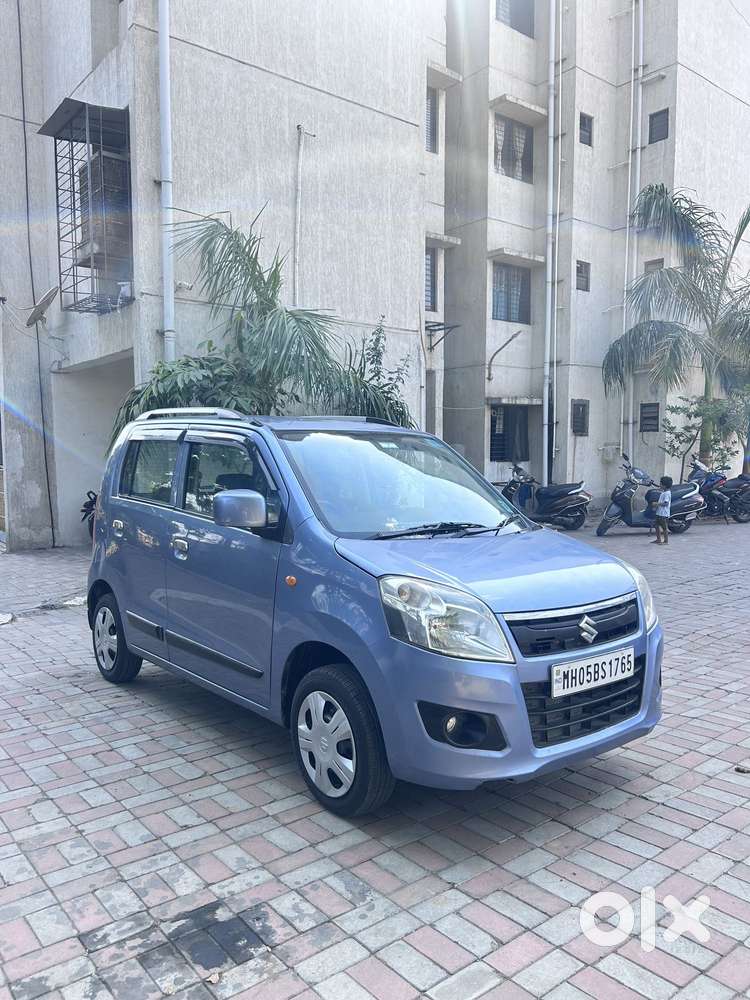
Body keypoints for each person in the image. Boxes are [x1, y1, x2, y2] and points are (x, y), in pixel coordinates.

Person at [653, 475, 672, 545]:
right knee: (656, 525)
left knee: (664, 527)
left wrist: (656, 504)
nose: (660, 485)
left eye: (661, 484)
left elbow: (666, 503)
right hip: (659, 513)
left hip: (663, 514)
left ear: (665, 485)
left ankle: (666, 541)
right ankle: (658, 539)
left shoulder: (667, 494)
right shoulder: (664, 492)